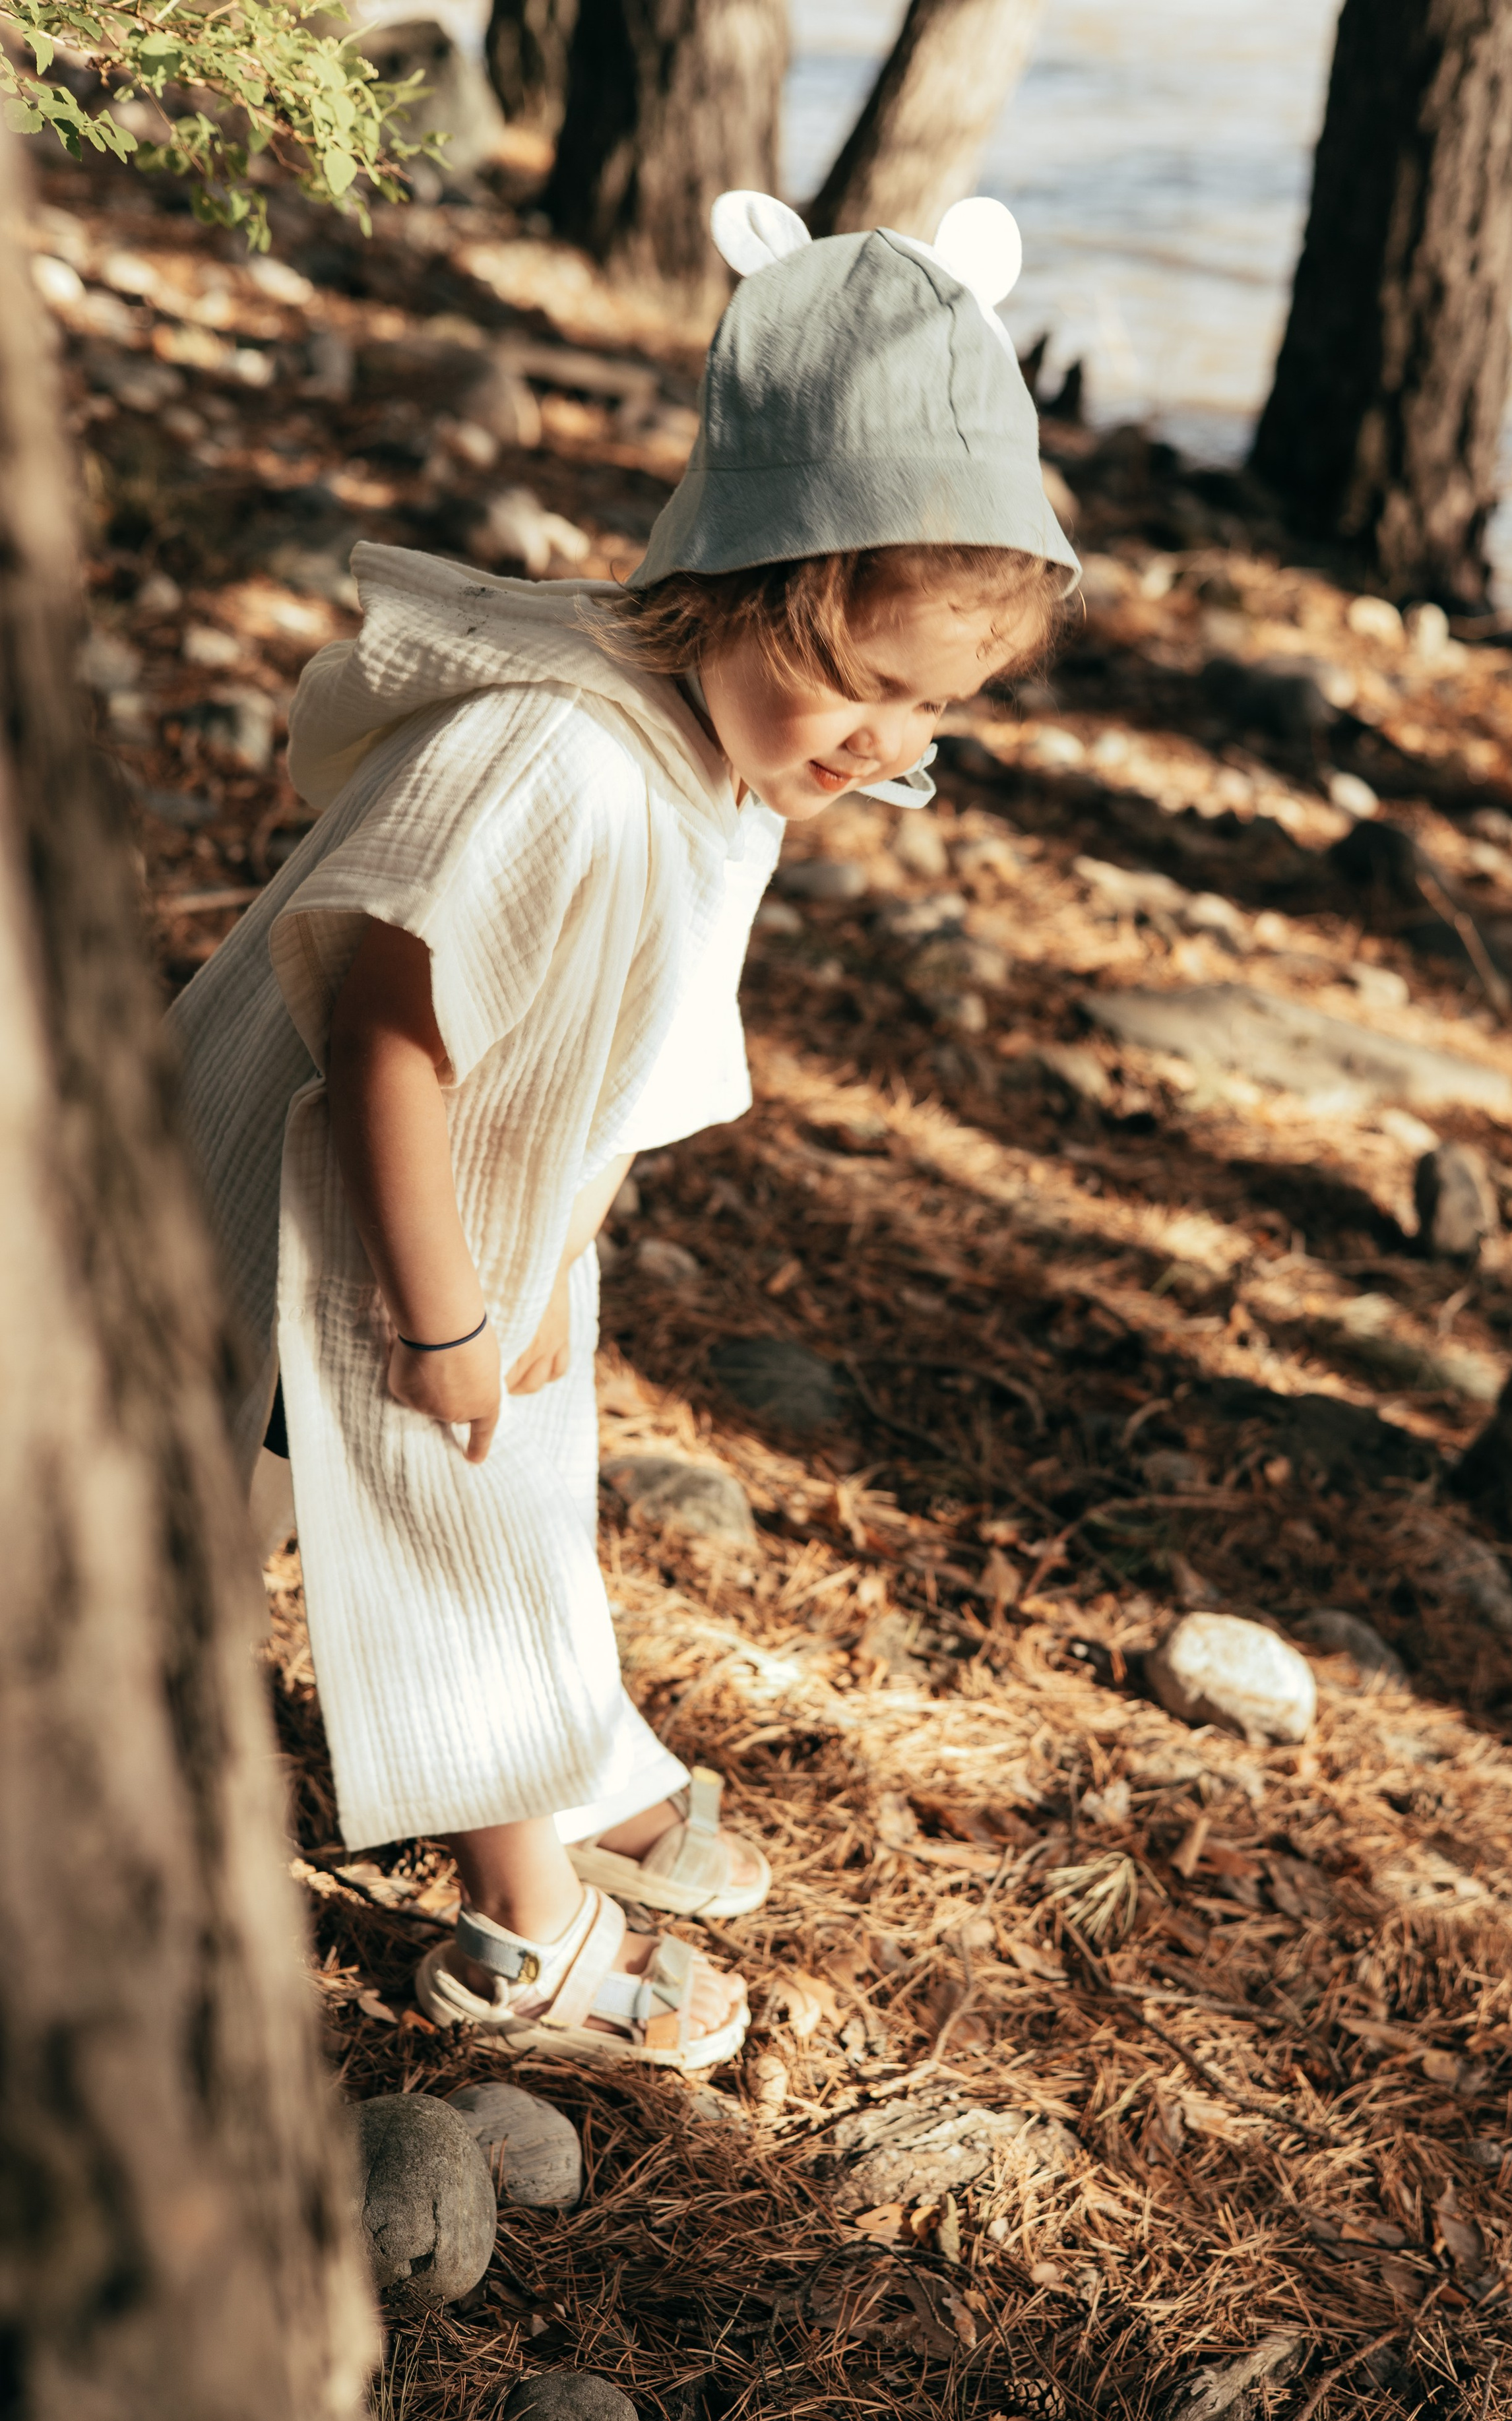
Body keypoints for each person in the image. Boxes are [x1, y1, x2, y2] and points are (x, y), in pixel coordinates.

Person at [172, 190, 1077, 2073]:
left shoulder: (717, 745)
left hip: (446, 1222)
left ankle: (514, 1756)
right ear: (750, 582)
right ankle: (523, 1925)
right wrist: (433, 1325)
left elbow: (570, 1048)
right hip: (321, 1219)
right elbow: (392, 1050)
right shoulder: (568, 760)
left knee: (354, 1508)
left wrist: (531, 1275)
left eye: (933, 716)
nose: (875, 749)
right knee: (443, 1525)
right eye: (859, 683)